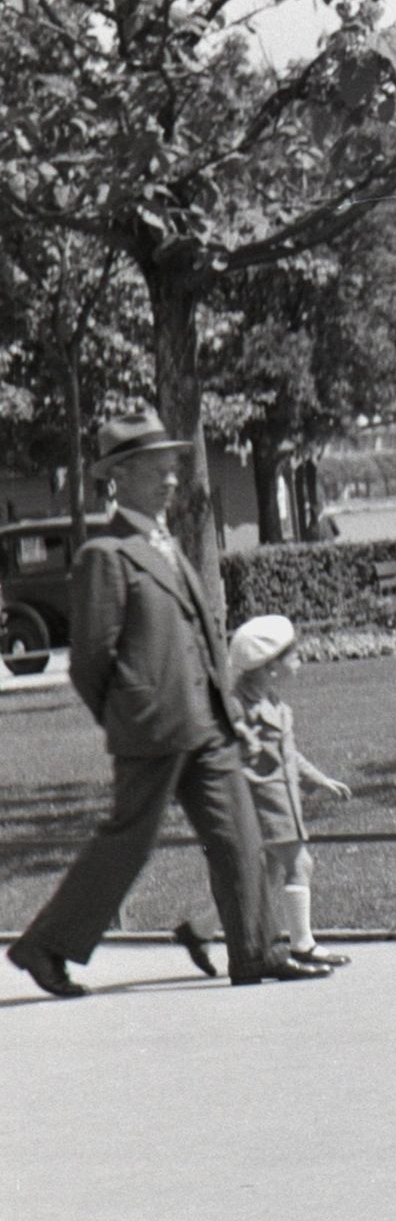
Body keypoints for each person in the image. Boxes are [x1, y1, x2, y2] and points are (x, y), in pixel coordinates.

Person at [8, 410, 325, 998]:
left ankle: (257, 952)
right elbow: (89, 661)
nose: (172, 478)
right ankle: (44, 947)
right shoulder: (105, 553)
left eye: (173, 467)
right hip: (152, 729)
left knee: (240, 836)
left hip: (209, 724)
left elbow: (198, 634)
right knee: (128, 842)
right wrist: (128, 716)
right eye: (157, 469)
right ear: (120, 476)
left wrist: (220, 706)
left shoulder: (167, 542)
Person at [195, 613, 354, 974]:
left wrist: (317, 779)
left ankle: (198, 930)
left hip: (282, 801)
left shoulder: (274, 703)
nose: (299, 662)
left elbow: (289, 754)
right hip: (260, 803)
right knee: (300, 864)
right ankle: (303, 944)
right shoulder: (238, 706)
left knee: (262, 878)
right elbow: (221, 750)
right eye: (291, 656)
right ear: (269, 666)